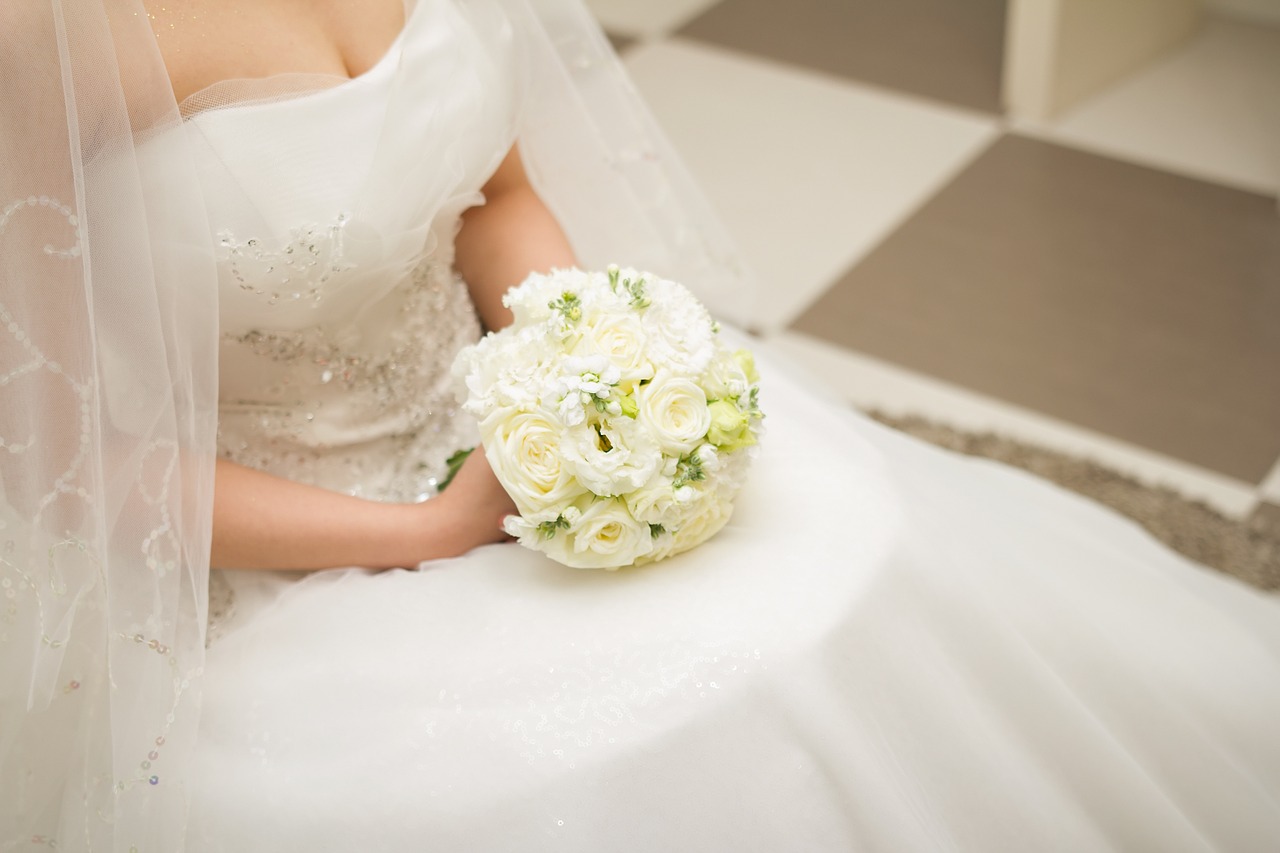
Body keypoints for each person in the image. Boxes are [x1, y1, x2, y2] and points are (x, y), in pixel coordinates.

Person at [2, 1, 1277, 850]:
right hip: (270, 531)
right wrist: (426, 532)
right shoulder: (43, 40)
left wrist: (577, 363)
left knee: (854, 572)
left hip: (498, 416)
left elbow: (492, 192)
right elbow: (66, 461)